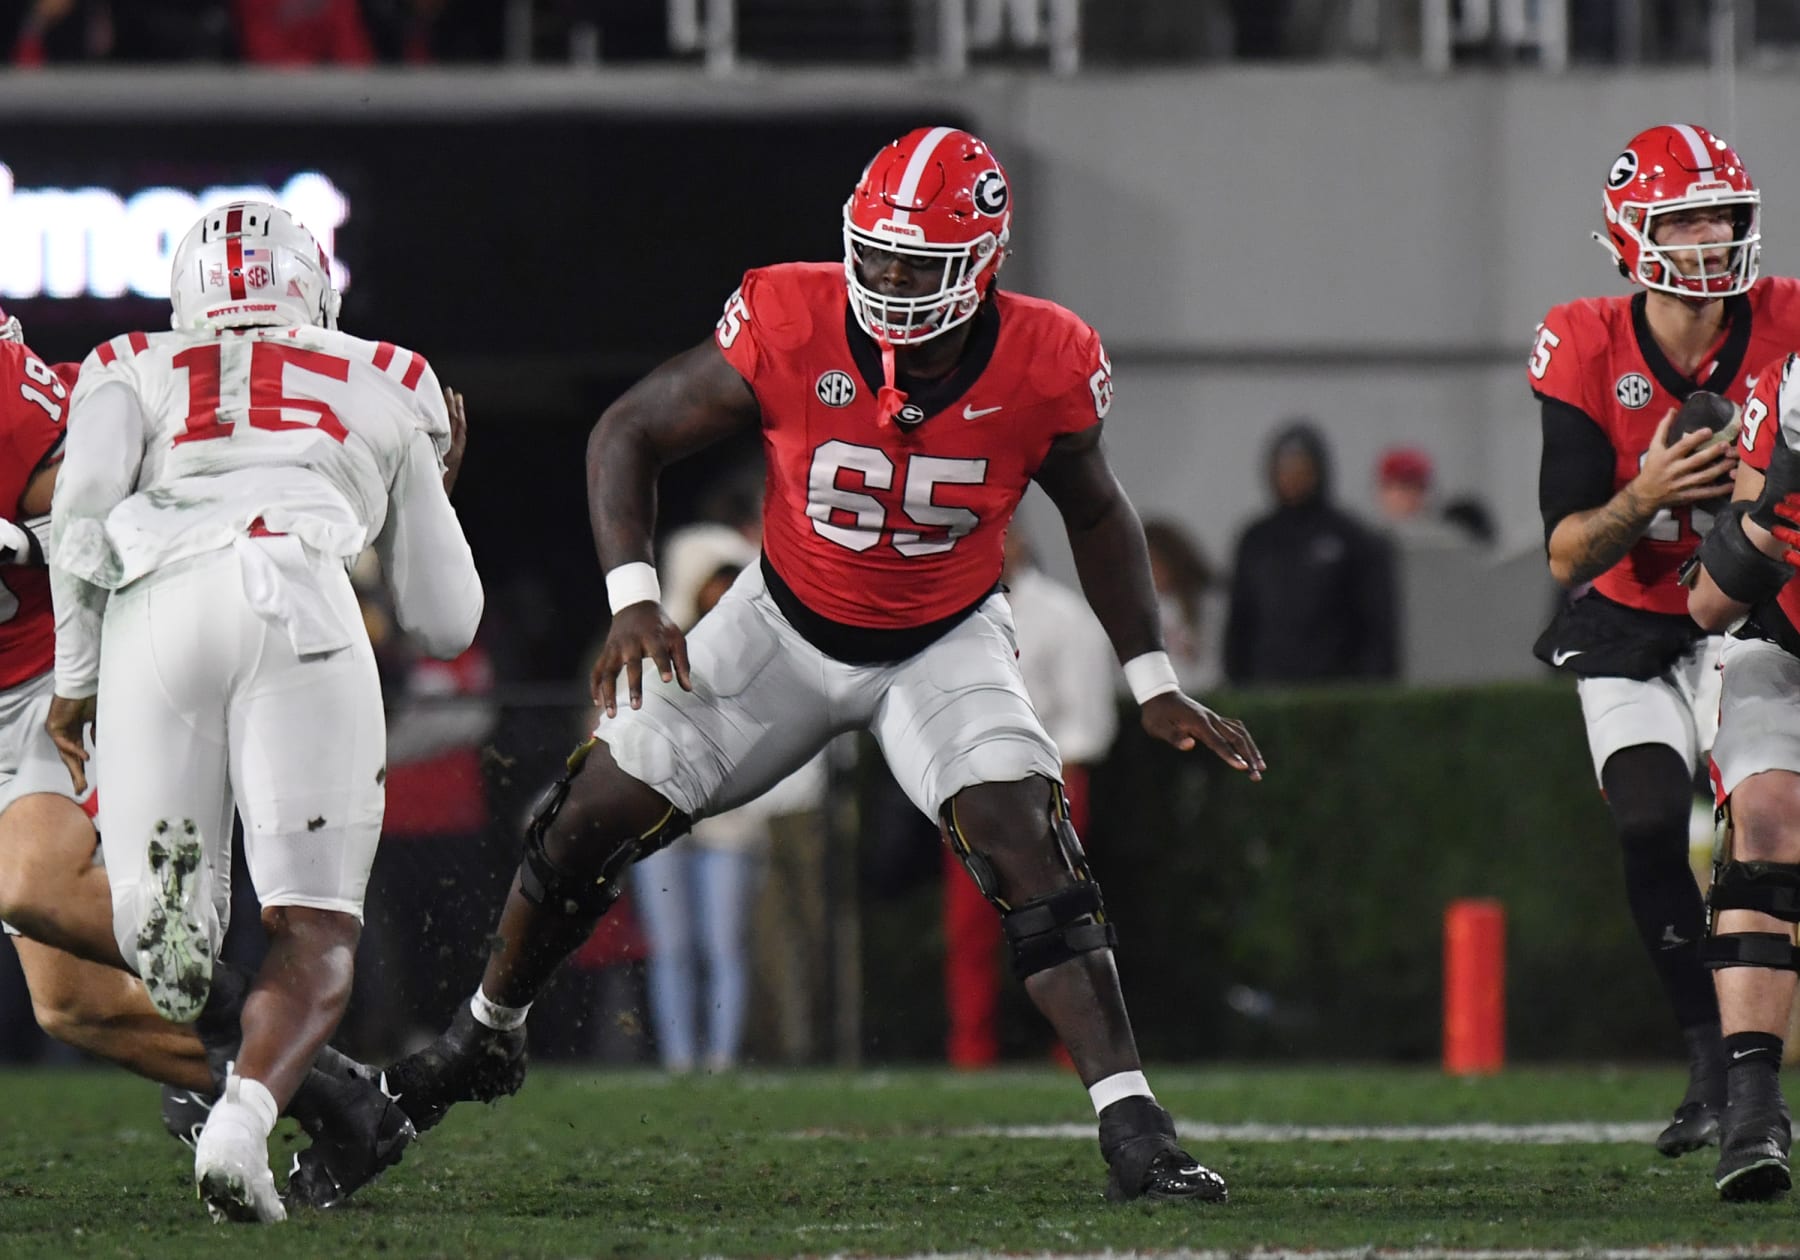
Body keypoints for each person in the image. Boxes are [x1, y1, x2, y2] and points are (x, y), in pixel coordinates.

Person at [386, 125, 1264, 1204]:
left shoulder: (1048, 357)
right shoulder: (795, 315)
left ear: (983, 264)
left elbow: (1097, 512)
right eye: (878, 254)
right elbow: (627, 430)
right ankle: (485, 1035)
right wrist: (634, 601)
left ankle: (1135, 1127)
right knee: (585, 815)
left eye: (918, 264)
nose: (889, 282)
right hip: (782, 626)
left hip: (942, 639)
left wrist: (1153, 679)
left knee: (1027, 842)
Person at [47, 201, 482, 1222]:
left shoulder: (130, 358)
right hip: (302, 603)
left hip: (157, 610)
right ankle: (241, 1124)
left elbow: (83, 510)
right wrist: (430, 485)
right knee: (316, 923)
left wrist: (76, 676)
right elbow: (445, 620)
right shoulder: (391, 375)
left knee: (160, 938)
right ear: (314, 288)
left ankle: (189, 997)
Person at [1528, 123, 1800, 1161]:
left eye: (1722, 214)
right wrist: (1645, 493)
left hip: (1753, 609)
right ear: (1630, 235)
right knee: (1647, 824)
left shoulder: (1790, 322)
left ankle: (1744, 1073)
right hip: (1631, 608)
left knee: (1761, 821)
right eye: (1683, 217)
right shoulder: (1583, 338)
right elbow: (1563, 549)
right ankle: (1705, 1062)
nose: (1710, 236)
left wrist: (1762, 498)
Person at [1686, 352, 1800, 1200]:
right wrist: (1770, 523)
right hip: (1782, 645)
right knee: (1766, 816)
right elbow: (1710, 602)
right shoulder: (1788, 388)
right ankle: (1753, 1104)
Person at [943, 528, 1119, 1067]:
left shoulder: (1063, 616)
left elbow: (1089, 720)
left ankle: (1077, 1050)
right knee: (968, 928)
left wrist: (1045, 784)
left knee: (1060, 919)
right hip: (969, 783)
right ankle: (972, 1049)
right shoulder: (947, 613)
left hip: (1047, 781)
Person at [1223, 420, 1398, 685]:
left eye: (1301, 468)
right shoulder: (1256, 539)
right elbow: (1240, 619)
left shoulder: (1351, 536)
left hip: (1333, 689)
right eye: (1284, 469)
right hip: (1266, 687)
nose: (1292, 477)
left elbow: (1376, 624)